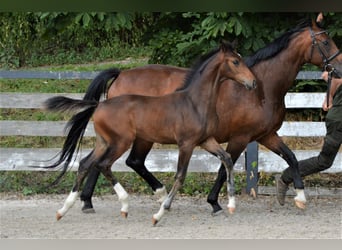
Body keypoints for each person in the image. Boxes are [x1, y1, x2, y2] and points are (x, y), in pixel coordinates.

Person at [276, 70, 342, 205]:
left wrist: (329, 97)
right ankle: (286, 177)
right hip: (338, 122)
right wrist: (329, 96)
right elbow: (328, 76)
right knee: (324, 161)